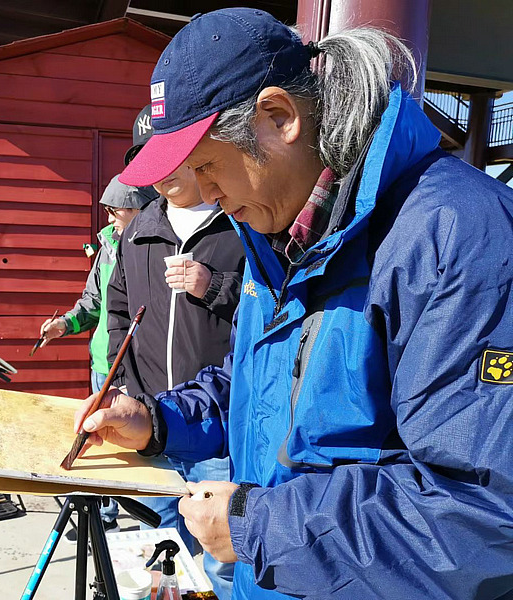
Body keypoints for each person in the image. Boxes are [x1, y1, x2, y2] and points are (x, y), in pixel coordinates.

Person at [74, 8, 513, 600]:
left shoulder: (455, 235)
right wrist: (159, 422)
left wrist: (256, 525)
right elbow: (263, 379)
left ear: (279, 118)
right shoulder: (281, 234)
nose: (205, 195)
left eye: (206, 165)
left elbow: (483, 511)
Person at [106, 108, 244, 599]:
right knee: (162, 546)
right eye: (149, 162)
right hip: (151, 419)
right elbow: (118, 312)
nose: (161, 175)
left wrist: (215, 286)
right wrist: (126, 385)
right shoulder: (138, 227)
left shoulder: (241, 218)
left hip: (217, 428)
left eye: (171, 160)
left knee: (223, 559)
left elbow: (272, 309)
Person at [38, 174, 156, 538]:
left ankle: (148, 530)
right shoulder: (107, 245)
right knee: (100, 442)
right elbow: (92, 303)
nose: (108, 219)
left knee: (141, 451)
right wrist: (65, 324)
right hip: (102, 365)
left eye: (114, 211)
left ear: (140, 208)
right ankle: (104, 514)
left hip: (138, 370)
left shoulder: (155, 244)